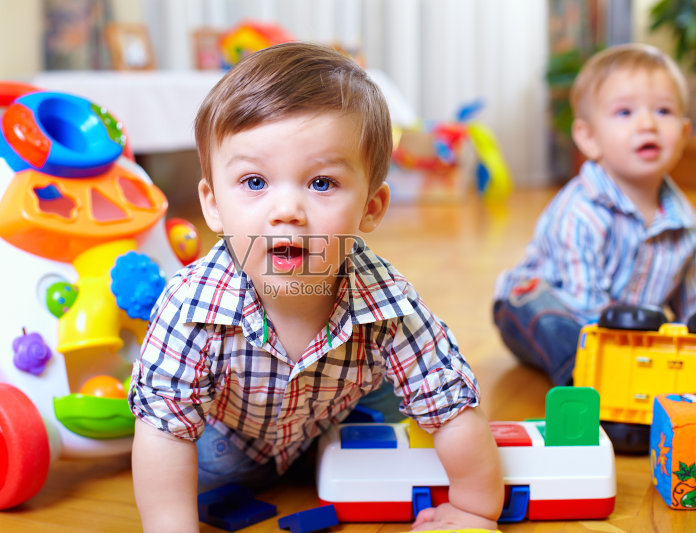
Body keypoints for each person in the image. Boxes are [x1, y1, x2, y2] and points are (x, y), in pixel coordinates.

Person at [129, 42, 503, 532]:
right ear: (213, 203)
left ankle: (343, 448)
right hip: (228, 444)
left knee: (399, 416)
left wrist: (474, 509)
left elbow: (451, 406)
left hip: (339, 419)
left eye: (322, 183)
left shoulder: (389, 300)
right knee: (191, 462)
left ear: (371, 207)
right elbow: (164, 428)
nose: (287, 210)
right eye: (255, 182)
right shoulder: (191, 303)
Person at [493, 43, 696, 386]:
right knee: (551, 319)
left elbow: (689, 299)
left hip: (631, 331)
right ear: (588, 138)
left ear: (684, 135)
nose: (647, 124)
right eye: (625, 113)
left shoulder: (684, 221)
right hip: (548, 310)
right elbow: (583, 305)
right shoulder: (580, 211)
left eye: (662, 111)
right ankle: (582, 379)